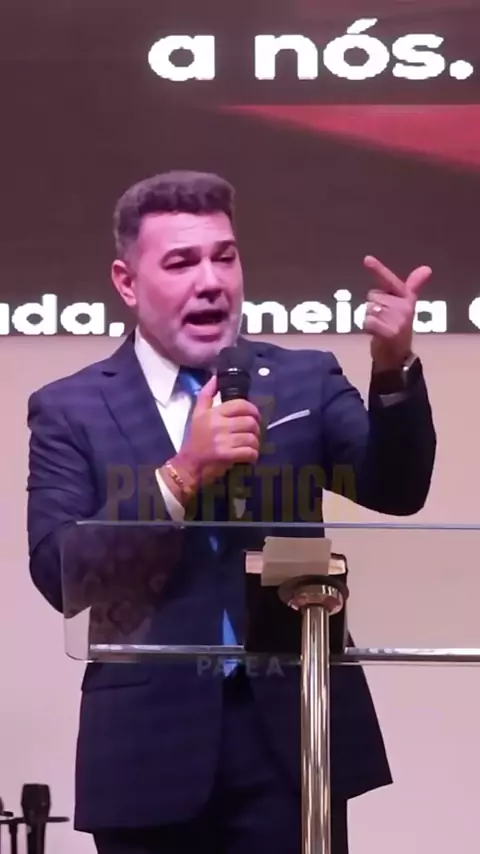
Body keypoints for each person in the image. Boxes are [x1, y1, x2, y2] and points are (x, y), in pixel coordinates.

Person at [26, 170, 436, 854]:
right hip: (147, 747)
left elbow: (396, 489)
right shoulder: (71, 408)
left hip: (293, 736)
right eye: (181, 262)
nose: (212, 281)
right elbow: (58, 571)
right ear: (127, 283)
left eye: (225, 257)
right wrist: (183, 473)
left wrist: (393, 368)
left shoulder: (305, 379)